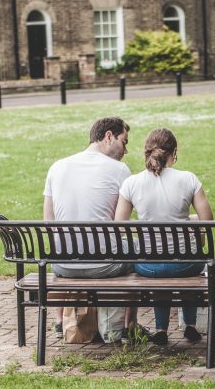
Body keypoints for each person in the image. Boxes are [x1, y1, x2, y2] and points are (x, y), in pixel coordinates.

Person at [114, 128, 214, 346]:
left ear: (146, 152)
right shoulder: (188, 179)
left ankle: (161, 329)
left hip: (149, 266)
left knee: (160, 270)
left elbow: (120, 226)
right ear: (174, 152)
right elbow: (207, 220)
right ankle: (189, 325)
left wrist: (144, 226)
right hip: (187, 266)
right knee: (188, 263)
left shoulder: (132, 183)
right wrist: (189, 220)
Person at [43, 117, 133, 337]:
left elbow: (49, 222)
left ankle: (59, 320)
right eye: (124, 141)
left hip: (62, 266)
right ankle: (128, 325)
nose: (126, 150)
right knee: (137, 255)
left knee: (64, 245)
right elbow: (123, 228)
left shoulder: (57, 167)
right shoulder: (120, 170)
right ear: (109, 136)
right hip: (104, 266)